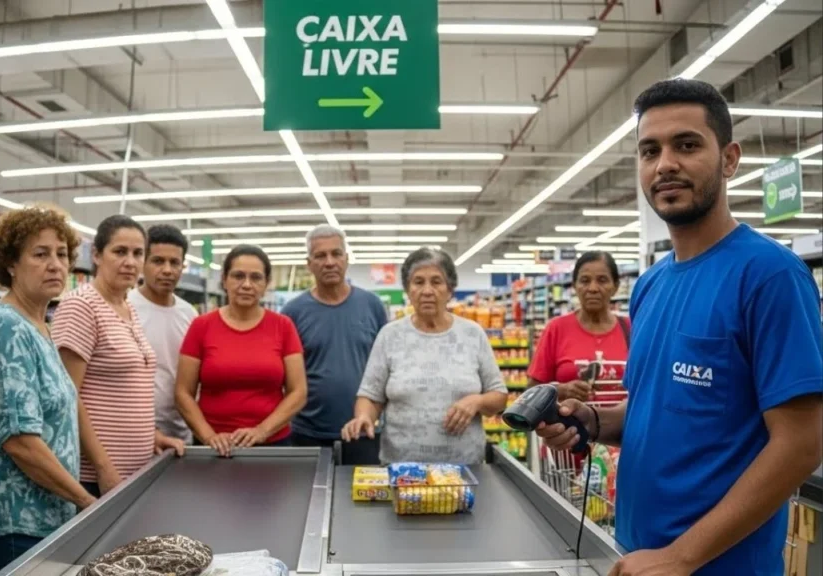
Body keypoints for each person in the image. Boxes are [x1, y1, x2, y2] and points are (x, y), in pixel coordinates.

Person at [536, 78, 823, 576]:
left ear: (729, 159)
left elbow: (803, 442)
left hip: (715, 566)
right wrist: (594, 421)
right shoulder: (650, 285)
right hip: (637, 554)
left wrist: (680, 556)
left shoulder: (770, 275)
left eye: (686, 145)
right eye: (650, 150)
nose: (665, 163)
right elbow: (657, 407)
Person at [0, 206, 93, 572]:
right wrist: (86, 501)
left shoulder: (40, 325)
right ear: (10, 264)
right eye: (40, 254)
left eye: (61, 254)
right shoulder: (7, 330)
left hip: (51, 515)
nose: (55, 264)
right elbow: (19, 441)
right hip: (20, 523)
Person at [52, 216, 184, 500]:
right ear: (97, 255)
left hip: (133, 469)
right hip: (94, 476)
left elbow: (121, 391)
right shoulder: (81, 306)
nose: (130, 261)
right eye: (120, 251)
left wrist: (151, 436)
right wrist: (102, 466)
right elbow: (67, 397)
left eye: (138, 253)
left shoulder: (126, 306)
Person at [341, 248, 508, 464]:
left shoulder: (472, 334)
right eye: (418, 282)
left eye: (436, 282)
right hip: (402, 470)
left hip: (464, 472)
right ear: (408, 290)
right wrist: (364, 417)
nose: (427, 290)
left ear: (450, 290)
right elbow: (371, 396)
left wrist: (477, 401)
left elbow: (499, 396)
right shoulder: (390, 335)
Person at [175, 244, 308, 457]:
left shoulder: (283, 326)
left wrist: (262, 431)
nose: (247, 284)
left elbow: (298, 392)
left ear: (266, 284)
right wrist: (209, 436)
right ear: (224, 281)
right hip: (213, 447)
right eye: (238, 276)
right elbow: (183, 393)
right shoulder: (201, 326)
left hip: (272, 444)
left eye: (256, 278)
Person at [281, 224, 388, 464]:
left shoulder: (372, 305)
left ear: (346, 259)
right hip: (306, 433)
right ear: (309, 264)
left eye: (336, 254)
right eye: (320, 256)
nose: (329, 262)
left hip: (365, 430)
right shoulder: (292, 313)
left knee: (362, 500)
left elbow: (387, 367)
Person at [528, 251, 630, 406]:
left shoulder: (632, 328)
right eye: (585, 280)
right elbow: (532, 390)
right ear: (574, 286)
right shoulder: (557, 329)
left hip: (626, 428)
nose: (593, 288)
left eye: (602, 280)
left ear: (615, 286)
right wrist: (561, 390)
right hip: (570, 429)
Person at [127, 224, 199, 444]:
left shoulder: (190, 314)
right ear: (143, 263)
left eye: (175, 262)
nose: (167, 270)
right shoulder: (125, 307)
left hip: (183, 432)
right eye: (158, 261)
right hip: (135, 433)